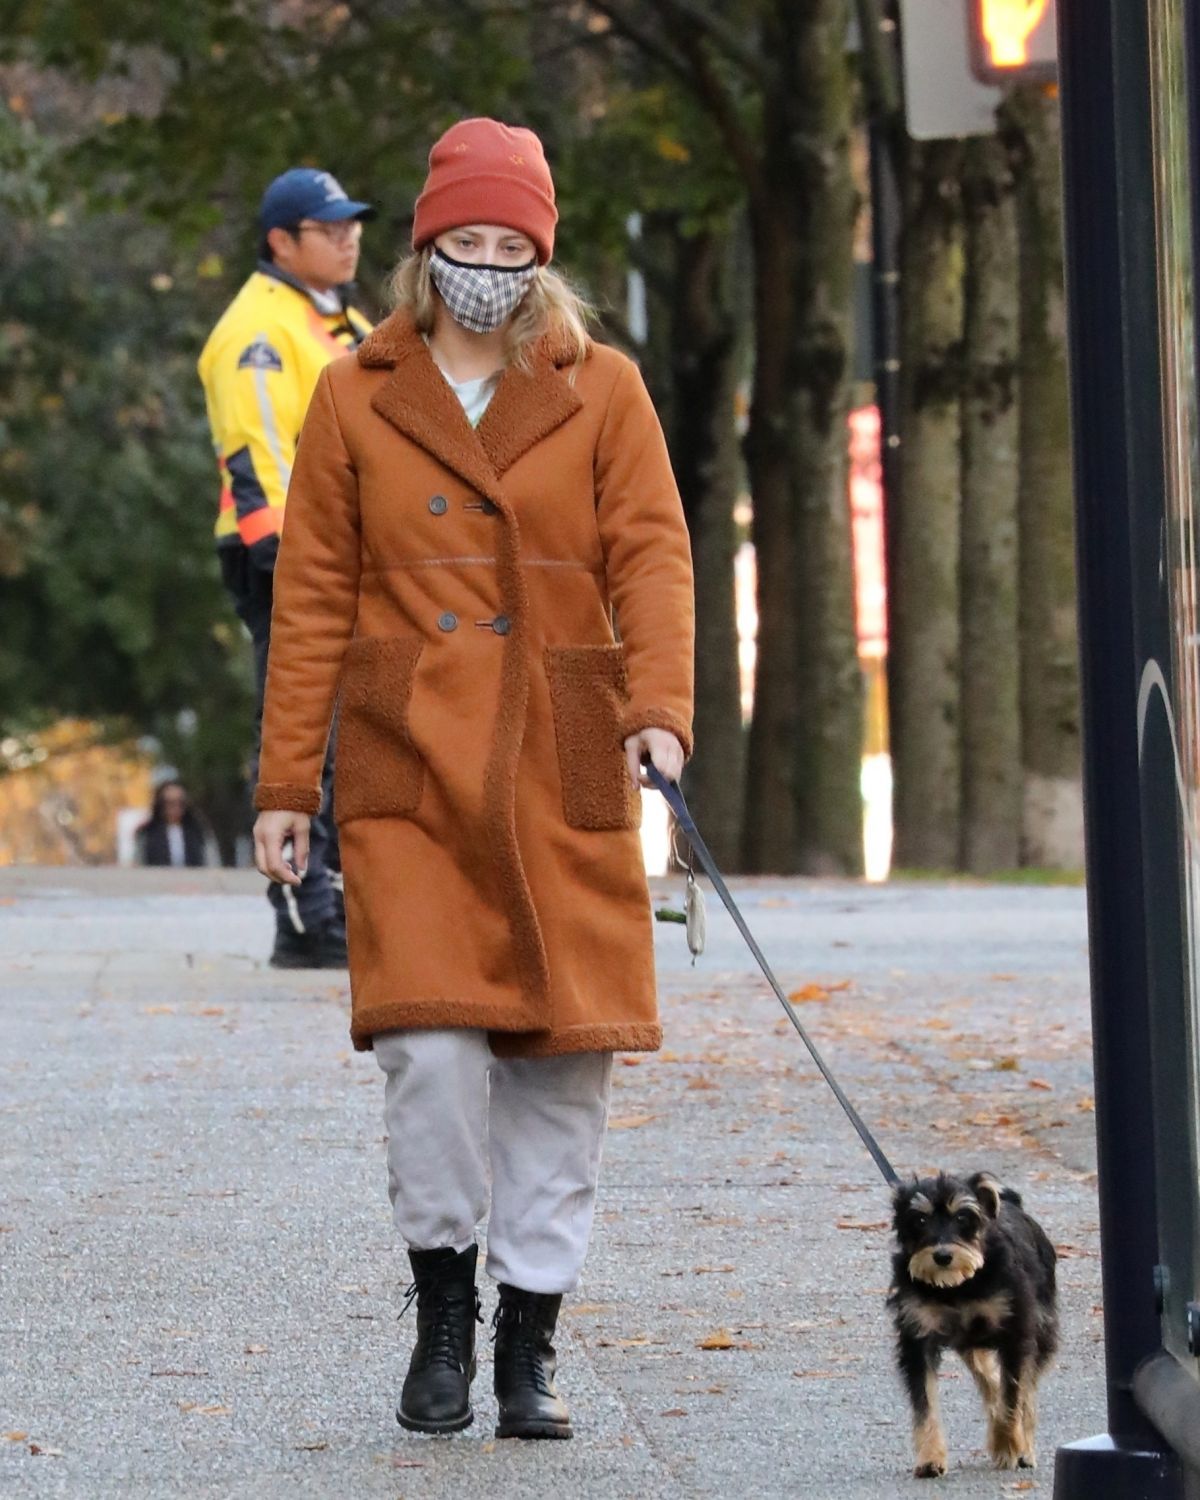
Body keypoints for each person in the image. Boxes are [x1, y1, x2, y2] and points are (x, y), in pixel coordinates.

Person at [251, 118, 695, 1439]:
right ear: (425, 248)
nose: (490, 267)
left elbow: (656, 558)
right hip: (413, 759)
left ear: (542, 256)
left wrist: (658, 712)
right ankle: (444, 1316)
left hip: (563, 747)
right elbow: (314, 596)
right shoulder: (353, 391)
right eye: (467, 244)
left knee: (566, 1062)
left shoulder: (602, 385)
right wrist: (287, 786)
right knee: (431, 1056)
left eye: (514, 248)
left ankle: (531, 1344)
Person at [198, 168, 375, 969]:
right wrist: (287, 565)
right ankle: (306, 915)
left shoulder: (339, 322)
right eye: (327, 227)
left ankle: (335, 901)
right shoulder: (259, 332)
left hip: (346, 554)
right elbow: (254, 458)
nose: (348, 237)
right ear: (281, 241)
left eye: (351, 224)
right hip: (282, 554)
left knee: (350, 726)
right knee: (304, 727)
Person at [135, 781, 210, 868]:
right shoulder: (147, 833)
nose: (176, 808)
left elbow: (210, 863)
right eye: (170, 803)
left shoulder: (198, 832)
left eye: (180, 803)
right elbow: (139, 864)